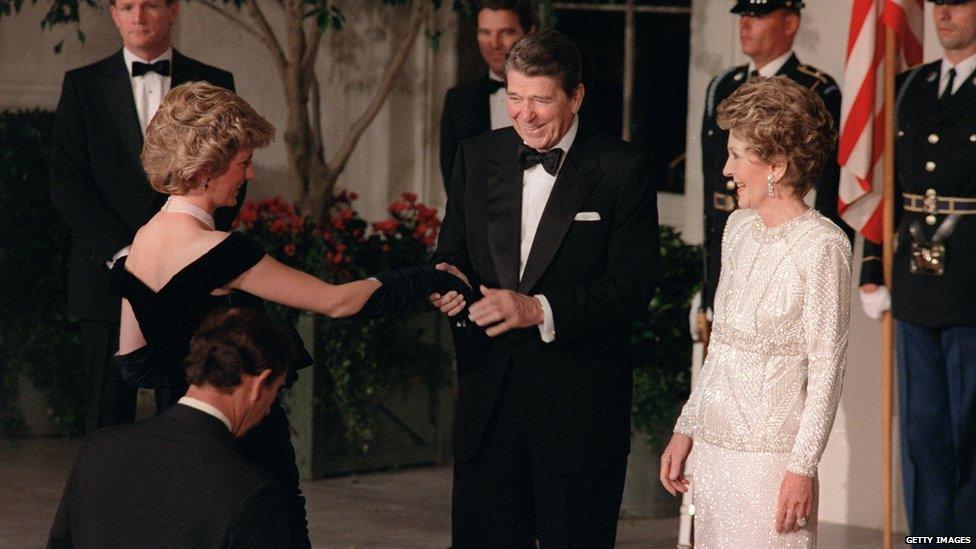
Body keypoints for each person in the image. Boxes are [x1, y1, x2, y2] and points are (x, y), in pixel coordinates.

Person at [109, 81, 470, 547]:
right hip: (249, 443)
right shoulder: (219, 251)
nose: (251, 175)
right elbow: (337, 301)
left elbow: (133, 363)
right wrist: (431, 277)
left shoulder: (138, 244)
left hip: (183, 444)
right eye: (243, 163)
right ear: (204, 171)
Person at [429, 30, 660, 547]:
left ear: (575, 96)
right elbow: (453, 251)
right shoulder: (478, 155)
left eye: (540, 99)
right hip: (489, 405)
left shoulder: (623, 169)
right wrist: (448, 281)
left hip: (579, 414)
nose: (524, 114)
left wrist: (537, 309)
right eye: (514, 97)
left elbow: (632, 287)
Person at [660, 76, 851, 547]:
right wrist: (688, 426)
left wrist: (801, 468)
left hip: (771, 464)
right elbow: (720, 346)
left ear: (778, 166)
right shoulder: (738, 229)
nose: (726, 169)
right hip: (714, 453)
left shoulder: (824, 247)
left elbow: (828, 370)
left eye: (737, 155)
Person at [49, 0, 238, 434]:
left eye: (150, 4)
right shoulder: (82, 85)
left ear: (173, 9)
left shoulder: (215, 83)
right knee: (105, 419)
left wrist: (189, 252)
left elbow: (231, 176)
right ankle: (101, 503)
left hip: (189, 276)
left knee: (189, 416)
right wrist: (126, 254)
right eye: (126, 6)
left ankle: (179, 502)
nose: (138, 17)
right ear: (113, 13)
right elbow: (67, 184)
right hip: (105, 280)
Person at [859, 0, 976, 538]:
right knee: (923, 431)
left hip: (973, 285)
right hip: (915, 284)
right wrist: (873, 267)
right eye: (936, 4)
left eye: (957, 3)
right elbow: (890, 185)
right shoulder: (909, 84)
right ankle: (933, 537)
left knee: (969, 432)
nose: (942, 14)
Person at [47, 306, 298, 548]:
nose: (267, 411)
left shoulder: (98, 450)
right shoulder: (251, 493)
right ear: (259, 383)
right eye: (275, 393)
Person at [695, 0, 851, 328]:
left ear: (791, 22)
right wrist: (707, 280)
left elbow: (829, 189)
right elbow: (713, 193)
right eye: (743, 15)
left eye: (759, 15)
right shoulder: (724, 85)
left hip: (786, 252)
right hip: (728, 247)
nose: (746, 23)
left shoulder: (815, 89)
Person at [440, 0, 535, 191]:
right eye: (485, 32)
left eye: (506, 32)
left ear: (529, 34)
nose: (494, 44)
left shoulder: (554, 97)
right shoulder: (458, 101)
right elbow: (454, 184)